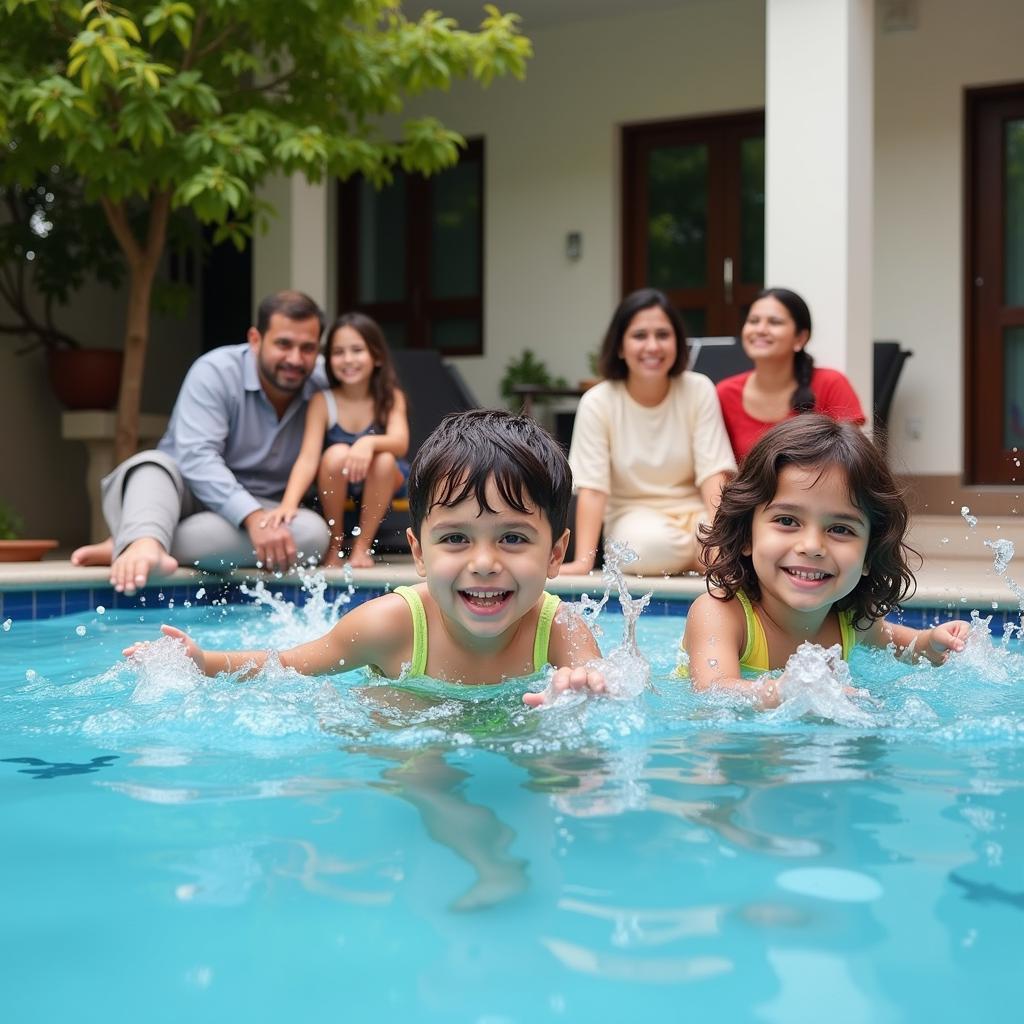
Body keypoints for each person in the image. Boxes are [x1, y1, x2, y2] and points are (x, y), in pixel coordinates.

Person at [124, 410, 607, 706]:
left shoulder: (560, 628)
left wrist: (583, 698)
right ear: (418, 552)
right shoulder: (390, 626)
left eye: (513, 539)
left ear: (555, 554)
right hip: (404, 740)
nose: (483, 562)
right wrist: (204, 662)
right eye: (456, 539)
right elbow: (288, 664)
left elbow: (606, 690)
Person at [682, 415, 970, 707]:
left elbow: (900, 643)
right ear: (747, 536)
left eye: (840, 529)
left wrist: (932, 643)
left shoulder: (851, 619)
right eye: (787, 520)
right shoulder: (721, 614)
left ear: (870, 553)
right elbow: (712, 690)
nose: (812, 546)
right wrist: (790, 692)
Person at [71, 290, 332, 594]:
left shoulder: (324, 382)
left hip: (267, 507)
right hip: (185, 496)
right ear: (256, 339)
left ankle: (139, 540)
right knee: (150, 465)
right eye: (284, 344)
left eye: (308, 348)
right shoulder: (215, 371)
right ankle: (143, 540)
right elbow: (197, 458)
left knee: (312, 535)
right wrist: (251, 517)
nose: (295, 359)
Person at [561, 288, 736, 577]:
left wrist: (721, 539)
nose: (653, 346)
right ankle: (698, 557)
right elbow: (592, 489)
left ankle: (702, 553)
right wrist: (583, 561)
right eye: (640, 336)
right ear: (620, 346)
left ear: (678, 343)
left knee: (743, 541)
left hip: (696, 516)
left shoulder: (698, 389)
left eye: (663, 335)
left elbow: (713, 474)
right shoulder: (598, 401)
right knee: (645, 548)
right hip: (635, 523)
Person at [264, 313, 409, 568]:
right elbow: (308, 458)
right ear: (329, 360)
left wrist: (369, 444)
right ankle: (336, 542)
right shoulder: (323, 401)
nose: (348, 360)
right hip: (338, 478)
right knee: (336, 453)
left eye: (357, 350)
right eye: (339, 352)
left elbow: (400, 442)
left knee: (385, 459)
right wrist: (288, 503)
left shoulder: (389, 397)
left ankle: (362, 547)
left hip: (384, 479)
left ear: (376, 356)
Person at [716, 287, 865, 462]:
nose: (760, 329)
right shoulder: (725, 393)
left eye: (775, 322)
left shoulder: (831, 383)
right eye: (753, 321)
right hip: (751, 490)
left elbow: (853, 460)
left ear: (800, 338)